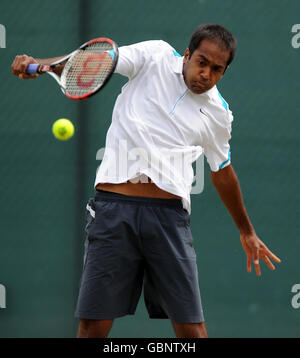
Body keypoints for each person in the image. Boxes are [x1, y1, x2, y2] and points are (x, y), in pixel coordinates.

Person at [11, 24, 281, 339]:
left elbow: (222, 171)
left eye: (216, 69)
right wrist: (42, 64)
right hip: (113, 211)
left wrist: (247, 232)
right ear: (187, 54)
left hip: (168, 219)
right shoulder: (153, 56)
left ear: (224, 71)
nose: (206, 73)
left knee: (192, 330)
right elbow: (99, 61)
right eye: (201, 62)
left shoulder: (218, 115)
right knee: (92, 327)